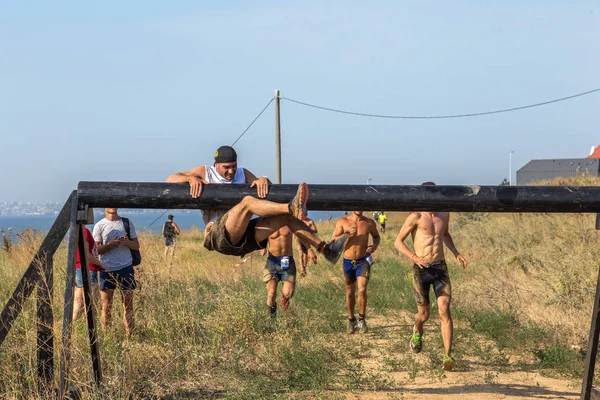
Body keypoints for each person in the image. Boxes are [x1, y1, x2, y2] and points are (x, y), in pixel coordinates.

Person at [165, 145, 348, 263]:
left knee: (285, 219)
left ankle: (326, 249)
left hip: (243, 237)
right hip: (217, 234)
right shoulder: (204, 172)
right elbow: (169, 179)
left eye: (233, 166)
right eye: (226, 167)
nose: (230, 171)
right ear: (216, 165)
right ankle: (292, 208)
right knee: (248, 202)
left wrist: (262, 179)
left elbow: (260, 184)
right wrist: (189, 179)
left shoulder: (242, 173)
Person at [394, 182, 468, 371]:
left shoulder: (444, 214)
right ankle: (417, 330)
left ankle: (447, 356)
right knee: (424, 315)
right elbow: (398, 242)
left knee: (444, 309)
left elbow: (445, 235)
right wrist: (414, 257)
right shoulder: (416, 216)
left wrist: (456, 253)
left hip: (440, 268)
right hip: (421, 270)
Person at [93, 208, 140, 336]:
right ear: (104, 207)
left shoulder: (126, 223)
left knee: (128, 304)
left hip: (126, 267)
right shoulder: (99, 226)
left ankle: (130, 336)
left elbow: (136, 245)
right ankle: (107, 336)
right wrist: (109, 245)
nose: (112, 206)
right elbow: (96, 250)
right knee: (106, 305)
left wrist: (127, 242)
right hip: (107, 269)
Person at [331, 211, 380, 334]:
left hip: (363, 261)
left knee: (362, 290)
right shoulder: (343, 221)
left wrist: (374, 246)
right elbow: (333, 240)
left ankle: (362, 319)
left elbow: (376, 236)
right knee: (350, 292)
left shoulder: (369, 222)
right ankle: (351, 319)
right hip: (348, 261)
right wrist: (346, 235)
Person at [259, 224, 314, 319]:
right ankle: (272, 318)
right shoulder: (268, 223)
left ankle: (284, 305)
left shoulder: (289, 221)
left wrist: (309, 250)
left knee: (288, 293)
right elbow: (258, 238)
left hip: (287, 261)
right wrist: (261, 248)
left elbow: (302, 235)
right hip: (273, 261)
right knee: (271, 294)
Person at [73, 226, 106, 320]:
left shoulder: (77, 230)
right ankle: (90, 332)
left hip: (79, 268)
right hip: (88, 269)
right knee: (91, 306)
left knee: (78, 305)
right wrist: (100, 264)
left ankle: (70, 329)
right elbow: (86, 254)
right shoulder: (84, 231)